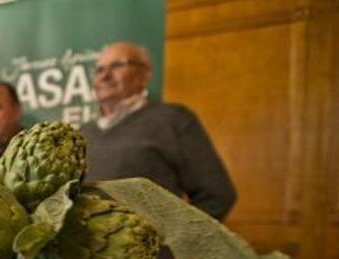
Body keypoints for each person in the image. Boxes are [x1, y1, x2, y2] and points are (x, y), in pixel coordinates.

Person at [81, 41, 236, 221]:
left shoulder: (173, 120)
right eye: (99, 70)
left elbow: (217, 196)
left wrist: (173, 243)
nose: (105, 76)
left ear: (144, 75)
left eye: (117, 65)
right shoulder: (82, 133)